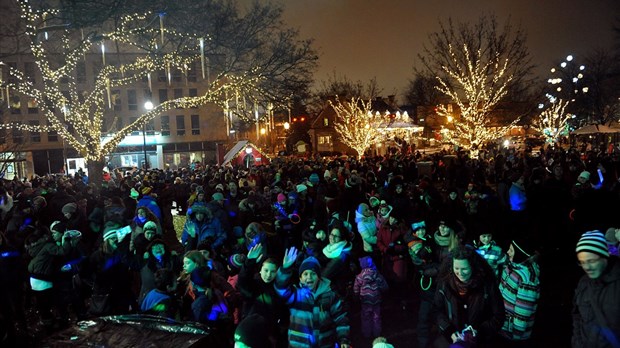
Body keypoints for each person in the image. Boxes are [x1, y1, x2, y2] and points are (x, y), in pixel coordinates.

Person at [274, 247, 351, 348]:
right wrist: (285, 269)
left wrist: (343, 339)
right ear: (300, 278)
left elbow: (341, 318)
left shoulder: (330, 295)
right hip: (298, 345)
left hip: (325, 344)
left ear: (319, 277)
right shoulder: (296, 294)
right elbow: (280, 288)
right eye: (305, 274)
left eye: (313, 273)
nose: (309, 277)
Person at [433, 246, 505, 347]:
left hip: (481, 342)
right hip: (453, 341)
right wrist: (449, 331)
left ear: (473, 266)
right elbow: (437, 310)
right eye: (456, 268)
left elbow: (499, 316)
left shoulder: (487, 284)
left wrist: (480, 331)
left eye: (464, 269)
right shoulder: (444, 283)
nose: (460, 273)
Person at [572, 230, 620, 347]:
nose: (586, 267)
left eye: (591, 261)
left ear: (604, 256)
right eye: (582, 262)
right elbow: (577, 316)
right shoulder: (583, 283)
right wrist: (577, 343)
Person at [498, 238, 541, 346]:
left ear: (521, 253)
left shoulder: (527, 280)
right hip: (502, 325)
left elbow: (522, 312)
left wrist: (516, 336)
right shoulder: (511, 265)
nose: (508, 252)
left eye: (511, 250)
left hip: (513, 334)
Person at [353, 256, 388, 340]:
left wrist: (356, 295)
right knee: (376, 317)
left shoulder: (359, 277)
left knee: (366, 317)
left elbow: (356, 288)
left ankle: (366, 334)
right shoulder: (378, 275)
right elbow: (385, 287)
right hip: (376, 300)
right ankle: (377, 334)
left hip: (365, 300)